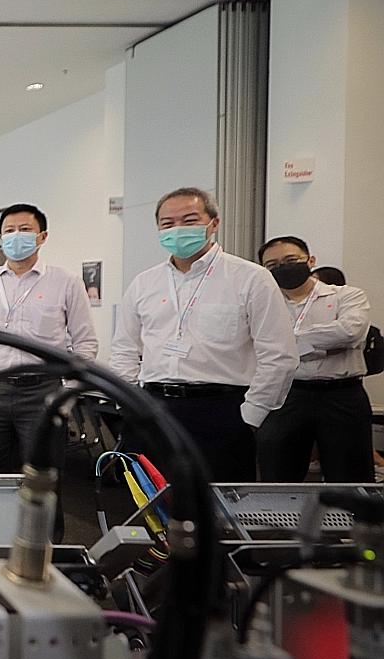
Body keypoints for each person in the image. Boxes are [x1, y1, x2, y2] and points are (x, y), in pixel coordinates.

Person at [109, 187, 297, 482]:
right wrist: (130, 402)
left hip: (222, 409)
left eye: (189, 220)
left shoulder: (250, 278)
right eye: (168, 223)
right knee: (152, 504)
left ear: (214, 223)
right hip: (154, 405)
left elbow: (280, 355)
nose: (178, 229)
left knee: (219, 508)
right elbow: (123, 348)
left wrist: (251, 415)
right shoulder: (145, 283)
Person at [0, 203, 98, 472]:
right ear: (0, 238)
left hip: (42, 391)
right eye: (9, 230)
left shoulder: (66, 282)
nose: (16, 235)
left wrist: (66, 393)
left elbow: (85, 342)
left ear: (42, 236)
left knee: (43, 481)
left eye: (25, 229)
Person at [254, 236, 373, 482]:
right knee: (278, 471)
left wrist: (288, 341)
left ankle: (355, 522)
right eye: (272, 265)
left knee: (350, 474)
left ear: (310, 260)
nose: (282, 268)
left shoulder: (347, 296)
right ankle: (278, 521)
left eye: (290, 260)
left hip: (342, 395)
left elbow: (350, 332)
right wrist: (324, 343)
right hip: (286, 395)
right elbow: (255, 345)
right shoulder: (261, 304)